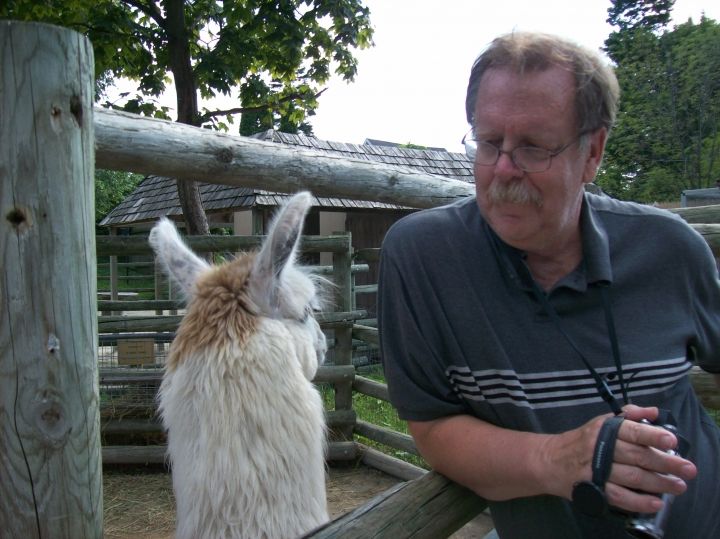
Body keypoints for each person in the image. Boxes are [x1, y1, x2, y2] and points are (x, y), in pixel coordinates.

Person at [378, 32, 720, 539]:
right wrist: (560, 460)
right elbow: (432, 428)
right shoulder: (422, 257)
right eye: (490, 142)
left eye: (533, 147)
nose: (503, 170)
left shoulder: (670, 249)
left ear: (593, 153)